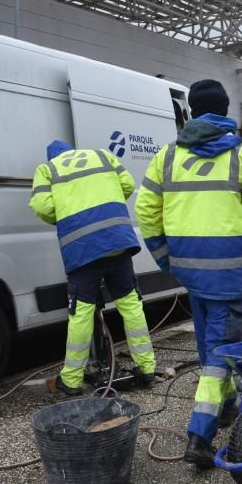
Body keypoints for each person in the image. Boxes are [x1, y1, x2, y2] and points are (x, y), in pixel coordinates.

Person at [136, 79, 242, 469]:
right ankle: (199, 435)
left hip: (191, 273)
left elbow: (146, 212)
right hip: (230, 273)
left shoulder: (167, 156)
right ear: (224, 108)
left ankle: (227, 407)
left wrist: (166, 259)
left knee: (211, 346)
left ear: (192, 111)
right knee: (220, 352)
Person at [29, 141, 157, 395]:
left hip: (82, 250)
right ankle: (147, 368)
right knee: (131, 306)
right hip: (117, 243)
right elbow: (128, 185)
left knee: (81, 314)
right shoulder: (102, 156)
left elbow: (43, 207)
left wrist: (68, 212)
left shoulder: (48, 169)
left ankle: (73, 380)